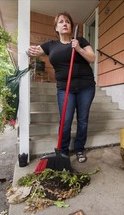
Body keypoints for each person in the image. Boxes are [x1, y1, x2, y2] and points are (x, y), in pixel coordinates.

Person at [28, 12, 96, 163]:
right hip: (65, 88)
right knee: (65, 120)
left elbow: (92, 58)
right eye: (61, 22)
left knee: (82, 120)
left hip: (86, 86)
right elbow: (32, 51)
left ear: (71, 26)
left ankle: (79, 149)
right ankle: (63, 152)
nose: (64, 24)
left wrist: (78, 49)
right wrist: (27, 51)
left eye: (67, 22)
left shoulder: (80, 40)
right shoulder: (50, 45)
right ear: (56, 27)